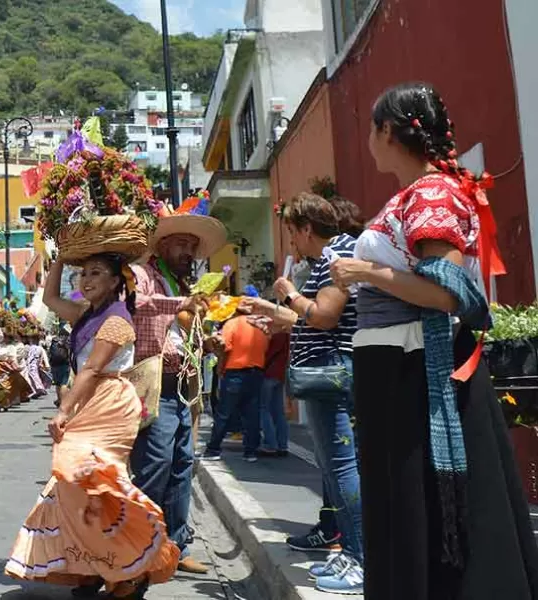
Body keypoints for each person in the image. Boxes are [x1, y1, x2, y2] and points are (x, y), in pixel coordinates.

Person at [328, 83, 538, 598]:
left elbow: (445, 293)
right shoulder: (416, 194)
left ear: (385, 130)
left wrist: (365, 271)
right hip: (397, 369)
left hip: (414, 369)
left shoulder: (430, 193)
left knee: (415, 500)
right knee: (403, 502)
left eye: (370, 130)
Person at [4, 254, 179, 598]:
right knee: (75, 487)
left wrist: (62, 410)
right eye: (83, 273)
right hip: (88, 402)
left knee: (95, 482)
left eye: (96, 273)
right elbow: (51, 299)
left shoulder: (116, 320)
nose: (86, 280)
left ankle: (128, 570)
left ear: (115, 282)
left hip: (110, 403)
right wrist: (58, 259)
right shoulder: (87, 315)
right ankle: (91, 565)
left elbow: (93, 370)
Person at [244, 191, 365, 592]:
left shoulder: (334, 257)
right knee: (335, 468)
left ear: (306, 228)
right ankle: (350, 552)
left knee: (343, 466)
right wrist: (280, 316)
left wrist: (289, 294)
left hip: (331, 376)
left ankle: (360, 557)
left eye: (293, 234)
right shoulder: (330, 257)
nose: (292, 243)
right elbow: (314, 322)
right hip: (326, 373)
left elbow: (326, 317)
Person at [129, 204, 227, 575]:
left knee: (182, 466)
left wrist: (208, 341)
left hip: (181, 388)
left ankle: (176, 546)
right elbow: (136, 304)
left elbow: (181, 331)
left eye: (193, 246)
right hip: (152, 384)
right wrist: (179, 304)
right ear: (163, 245)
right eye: (182, 244)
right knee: (156, 466)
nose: (189, 252)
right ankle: (141, 546)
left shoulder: (181, 284)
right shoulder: (143, 274)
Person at [202, 310, 269, 462]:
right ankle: (251, 451)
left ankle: (213, 449)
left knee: (223, 412)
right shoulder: (260, 326)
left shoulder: (233, 324)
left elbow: (223, 345)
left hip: (235, 372)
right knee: (252, 413)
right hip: (256, 372)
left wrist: (220, 367)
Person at [258, 331, 290, 457]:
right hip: (280, 374)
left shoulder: (275, 335)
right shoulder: (287, 335)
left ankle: (270, 444)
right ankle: (283, 445)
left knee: (263, 408)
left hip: (268, 374)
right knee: (278, 412)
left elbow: (266, 355)